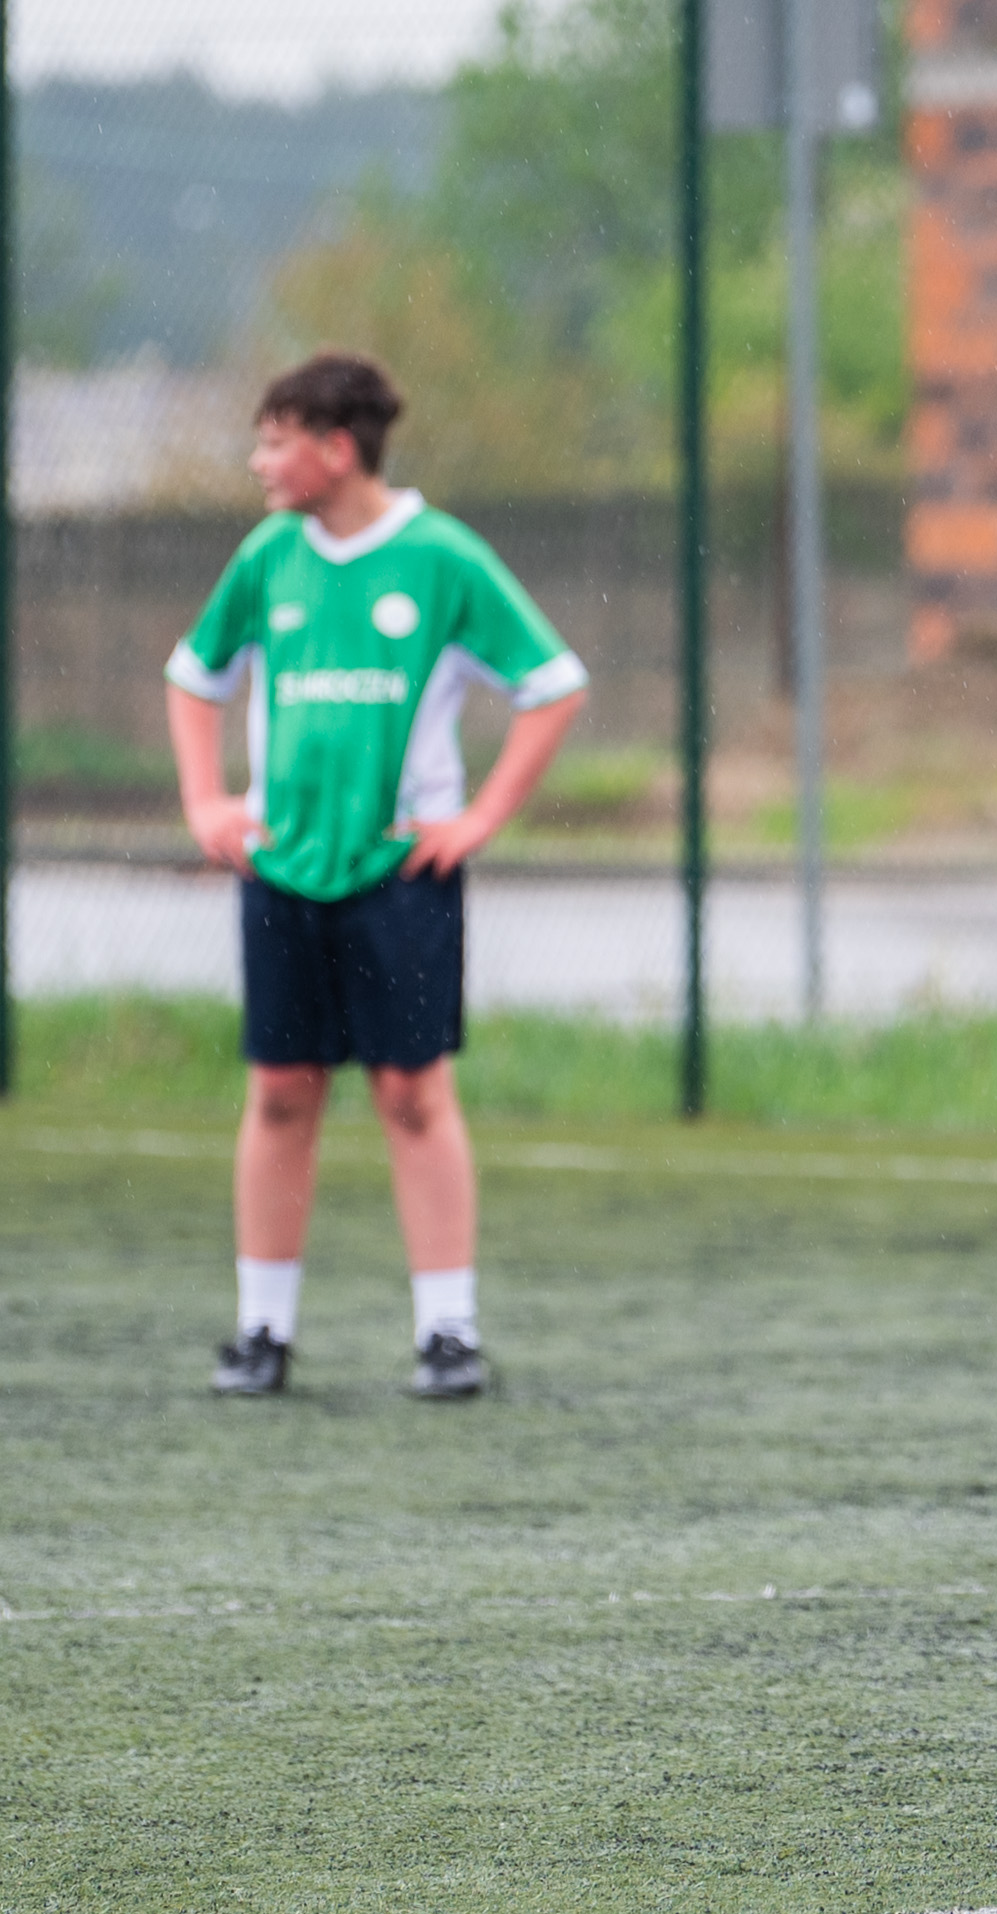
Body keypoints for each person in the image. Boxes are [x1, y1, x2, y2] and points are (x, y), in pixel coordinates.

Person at [166, 352, 587, 1401]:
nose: (260, 462)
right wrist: (207, 802)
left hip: (399, 875)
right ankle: (262, 1329)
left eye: (276, 442)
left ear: (337, 448)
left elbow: (553, 683)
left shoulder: (440, 556)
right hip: (283, 869)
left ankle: (448, 1332)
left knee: (410, 1091)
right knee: (281, 1091)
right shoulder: (268, 557)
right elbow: (193, 676)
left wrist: (480, 816)